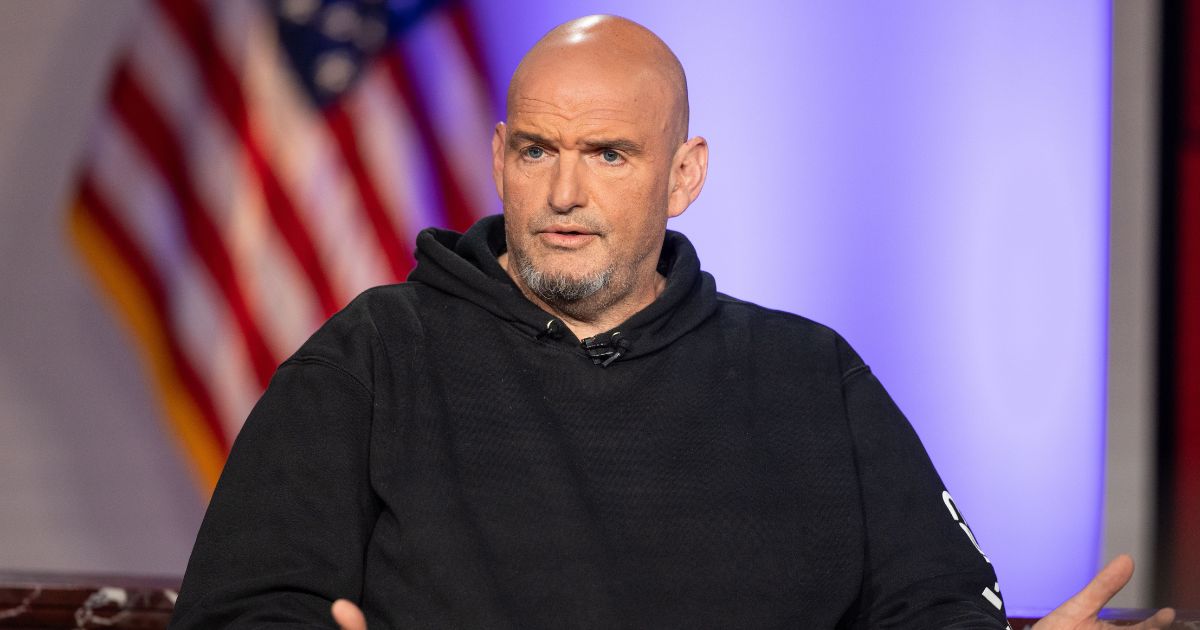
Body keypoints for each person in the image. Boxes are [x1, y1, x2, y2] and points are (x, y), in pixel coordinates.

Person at [170, 15, 1176, 630]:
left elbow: (934, 606)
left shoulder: (807, 377)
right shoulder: (372, 360)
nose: (564, 191)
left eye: (607, 154)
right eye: (536, 151)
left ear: (682, 176)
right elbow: (239, 610)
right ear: (498, 158)